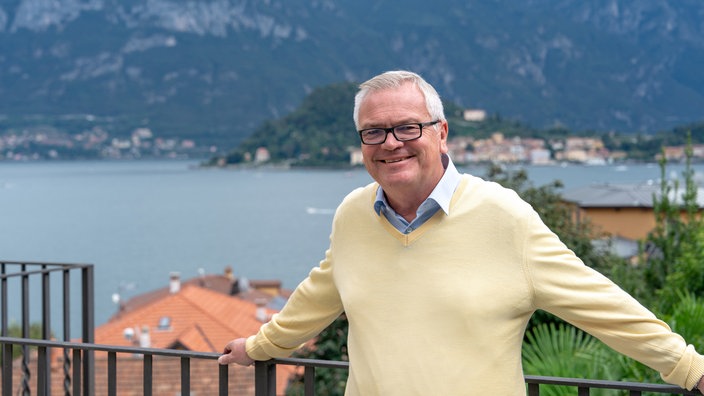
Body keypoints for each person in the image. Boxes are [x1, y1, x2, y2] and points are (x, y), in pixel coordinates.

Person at [219, 70, 704, 395]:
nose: (391, 144)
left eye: (408, 127)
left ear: (441, 132)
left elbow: (602, 304)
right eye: (374, 132)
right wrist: (258, 348)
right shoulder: (352, 215)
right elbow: (318, 296)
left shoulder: (502, 215)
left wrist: (690, 368)